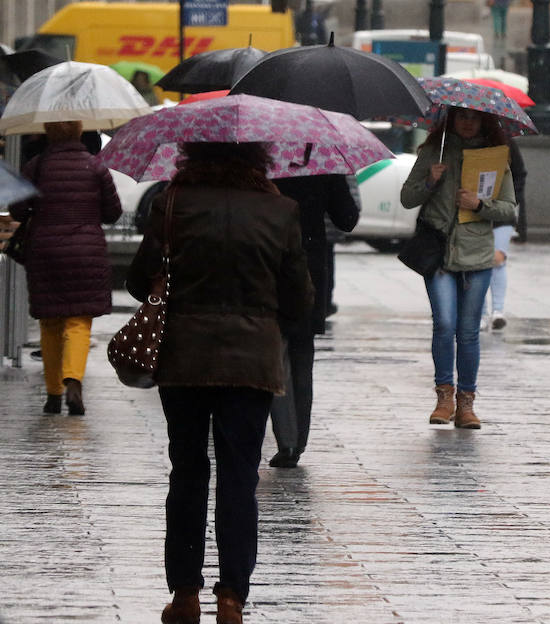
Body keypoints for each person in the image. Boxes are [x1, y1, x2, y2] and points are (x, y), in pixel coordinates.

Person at [126, 142, 313, 624]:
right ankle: (231, 597)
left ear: (193, 151)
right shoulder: (281, 209)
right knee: (239, 477)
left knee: (187, 471)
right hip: (251, 363)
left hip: (184, 357)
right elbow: (300, 299)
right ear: (258, 157)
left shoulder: (172, 202)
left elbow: (137, 280)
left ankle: (185, 594)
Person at [401, 107, 517, 429]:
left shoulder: (494, 159)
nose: (467, 123)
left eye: (474, 118)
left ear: (484, 122)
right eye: (461, 117)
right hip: (439, 253)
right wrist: (430, 181)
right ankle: (444, 396)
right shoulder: (433, 152)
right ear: (450, 120)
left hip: (476, 255)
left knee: (467, 333)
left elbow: (510, 209)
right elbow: (407, 198)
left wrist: (479, 205)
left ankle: (467, 402)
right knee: (444, 323)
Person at [9, 120, 122, 416]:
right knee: (78, 321)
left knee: (50, 321)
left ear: (48, 132)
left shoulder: (37, 166)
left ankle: (53, 393)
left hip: (45, 251)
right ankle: (73, 379)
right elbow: (113, 213)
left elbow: (19, 210)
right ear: (79, 132)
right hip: (86, 252)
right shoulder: (95, 166)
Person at [268, 174, 360, 468]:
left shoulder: (261, 159)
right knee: (301, 354)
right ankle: (295, 441)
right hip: (307, 267)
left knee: (276, 353)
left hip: (269, 262)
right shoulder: (323, 166)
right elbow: (347, 218)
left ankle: (288, 437)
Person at [483, 138, 526, 330]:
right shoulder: (468, 141)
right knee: (477, 262)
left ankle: (497, 310)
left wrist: (511, 202)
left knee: (498, 258)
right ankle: (481, 313)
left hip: (502, 213)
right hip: (474, 210)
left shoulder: (507, 142)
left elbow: (520, 174)